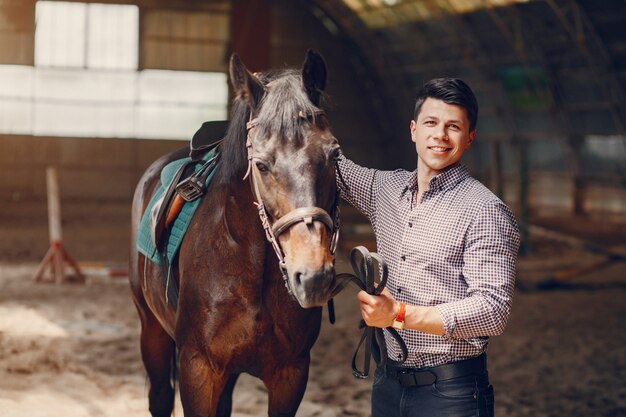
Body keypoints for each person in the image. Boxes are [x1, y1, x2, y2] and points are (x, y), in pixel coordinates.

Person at [336, 78, 520, 417]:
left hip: (451, 393)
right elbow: (331, 166)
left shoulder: (484, 210)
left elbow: (493, 311)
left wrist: (399, 315)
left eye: (454, 127)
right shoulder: (384, 188)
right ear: (413, 130)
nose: (440, 135)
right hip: (387, 382)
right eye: (431, 123)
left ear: (469, 138)